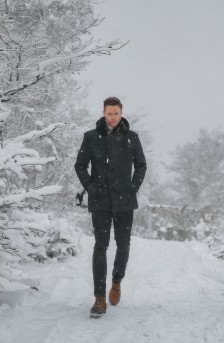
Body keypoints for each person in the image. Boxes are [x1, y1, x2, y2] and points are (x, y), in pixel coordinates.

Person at [75, 97, 147, 318]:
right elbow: (80, 165)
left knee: (123, 246)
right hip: (100, 201)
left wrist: (132, 187)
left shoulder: (132, 138)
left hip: (125, 201)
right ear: (103, 113)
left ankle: (116, 281)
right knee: (100, 246)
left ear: (121, 112)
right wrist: (91, 187)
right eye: (109, 114)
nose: (112, 117)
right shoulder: (91, 137)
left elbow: (141, 165)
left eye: (116, 113)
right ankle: (99, 298)